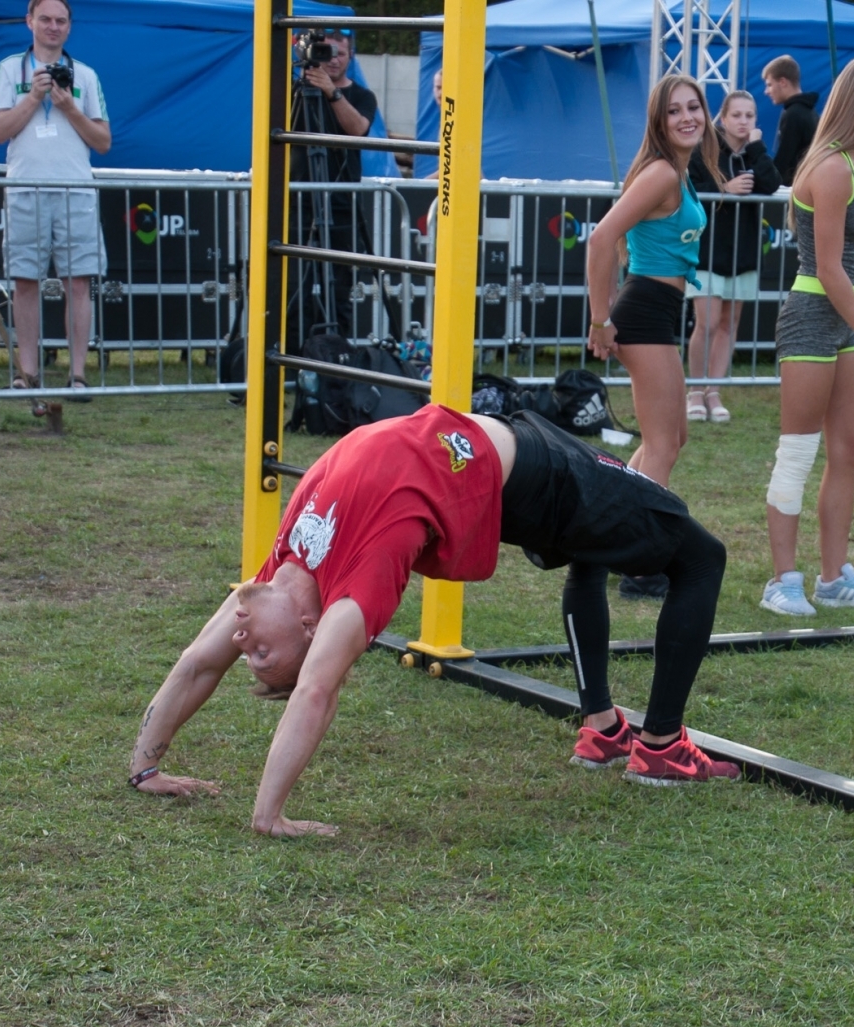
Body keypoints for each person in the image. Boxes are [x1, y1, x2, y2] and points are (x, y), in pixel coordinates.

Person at [126, 404, 740, 835]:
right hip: (537, 474)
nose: (240, 641)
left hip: (519, 451)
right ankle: (661, 748)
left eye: (251, 653)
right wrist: (268, 814)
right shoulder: (355, 588)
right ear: (313, 634)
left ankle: (604, 730)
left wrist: (145, 767)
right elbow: (316, 688)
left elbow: (199, 659)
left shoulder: (289, 558)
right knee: (701, 557)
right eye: (261, 656)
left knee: (595, 549)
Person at [760, 57, 854, 617]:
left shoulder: (852, 165)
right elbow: (827, 268)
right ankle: (783, 579)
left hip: (846, 315)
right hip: (814, 316)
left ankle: (832, 576)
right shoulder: (830, 168)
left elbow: (853, 266)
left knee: (848, 447)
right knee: (798, 452)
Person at [586, 75, 721, 599]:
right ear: (658, 122)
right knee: (663, 442)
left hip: (660, 309)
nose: (688, 117)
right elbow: (601, 237)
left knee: (671, 438)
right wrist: (602, 319)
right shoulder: (663, 172)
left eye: (694, 107)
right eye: (675, 111)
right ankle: (641, 564)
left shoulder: (679, 172)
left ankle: (608, 529)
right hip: (641, 311)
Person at [0, 0, 111, 414]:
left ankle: (77, 373)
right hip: (25, 188)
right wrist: (32, 97)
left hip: (76, 189)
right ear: (30, 22)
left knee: (79, 282)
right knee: (25, 280)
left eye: (61, 21)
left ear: (70, 27)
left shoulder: (87, 75)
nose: (53, 27)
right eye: (45, 19)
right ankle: (28, 372)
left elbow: (103, 141)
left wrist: (68, 106)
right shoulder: (9, 70)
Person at [686, 90, 780, 425]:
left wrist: (756, 147)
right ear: (723, 117)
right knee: (707, 322)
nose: (743, 122)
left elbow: (771, 184)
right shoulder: (703, 148)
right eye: (737, 115)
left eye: (750, 115)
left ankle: (714, 391)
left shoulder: (755, 152)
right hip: (708, 248)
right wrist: (724, 189)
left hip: (744, 249)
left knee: (729, 323)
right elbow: (689, 186)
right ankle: (695, 390)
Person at [291, 28, 380, 338]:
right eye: (325, 52)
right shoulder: (294, 91)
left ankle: (337, 359)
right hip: (298, 201)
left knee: (340, 286)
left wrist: (332, 92)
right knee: (294, 285)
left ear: (350, 56)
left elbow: (358, 130)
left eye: (339, 54)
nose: (332, 60)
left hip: (340, 203)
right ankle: (294, 356)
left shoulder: (361, 95)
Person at [763, 56, 818, 187]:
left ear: (782, 82)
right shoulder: (810, 113)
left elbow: (784, 161)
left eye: (769, 85)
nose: (766, 91)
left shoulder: (793, 115)